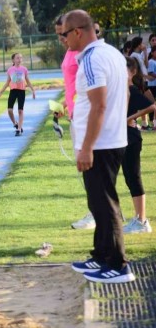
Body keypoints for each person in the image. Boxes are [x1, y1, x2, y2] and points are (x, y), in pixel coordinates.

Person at [64, 9, 134, 283]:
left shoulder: (93, 59)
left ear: (78, 32)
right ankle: (102, 255)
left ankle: (118, 265)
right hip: (110, 139)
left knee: (105, 203)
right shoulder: (114, 54)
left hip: (100, 144)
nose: (64, 40)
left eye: (65, 34)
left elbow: (99, 104)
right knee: (98, 200)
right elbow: (124, 94)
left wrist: (87, 147)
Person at [55, 14, 95, 231]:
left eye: (63, 33)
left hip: (83, 115)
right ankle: (95, 211)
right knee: (84, 168)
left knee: (88, 165)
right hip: (74, 113)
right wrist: (65, 104)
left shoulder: (82, 53)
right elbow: (73, 85)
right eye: (58, 34)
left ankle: (94, 213)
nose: (61, 38)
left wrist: (76, 107)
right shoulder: (70, 51)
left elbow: (89, 86)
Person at [122, 56, 154, 234]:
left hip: (132, 138)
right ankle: (137, 217)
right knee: (128, 177)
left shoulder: (132, 90)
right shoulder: (121, 90)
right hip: (121, 137)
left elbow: (153, 106)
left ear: (132, 72)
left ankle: (142, 221)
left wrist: (130, 118)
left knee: (134, 177)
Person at [0, 53, 36, 136]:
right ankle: (15, 123)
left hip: (21, 91)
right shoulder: (10, 70)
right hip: (13, 91)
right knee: (10, 110)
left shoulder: (24, 69)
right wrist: (1, 92)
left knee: (20, 111)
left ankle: (19, 129)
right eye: (17, 58)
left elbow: (28, 81)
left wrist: (33, 90)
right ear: (13, 60)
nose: (19, 60)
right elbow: (7, 82)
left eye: (20, 58)